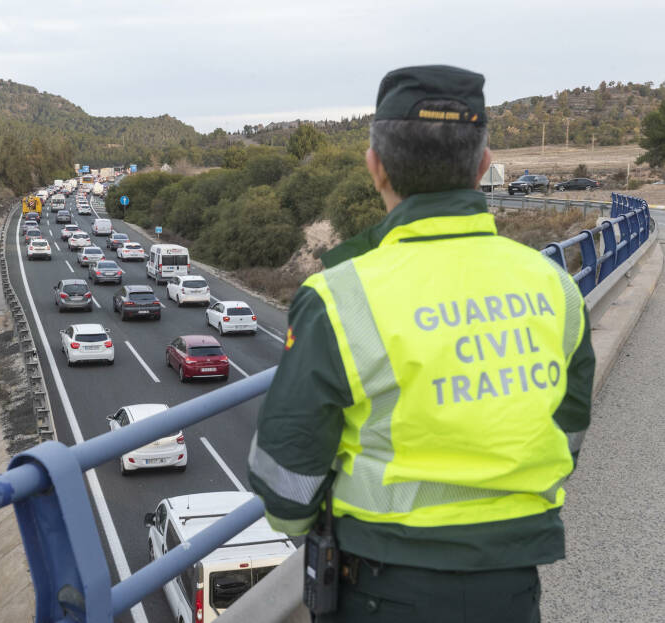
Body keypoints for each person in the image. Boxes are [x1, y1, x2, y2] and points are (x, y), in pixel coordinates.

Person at [247, 65, 595, 623]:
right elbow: (569, 430)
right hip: (510, 587)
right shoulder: (553, 285)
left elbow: (286, 487)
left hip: (383, 587)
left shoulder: (339, 296)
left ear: (375, 167)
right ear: (483, 166)